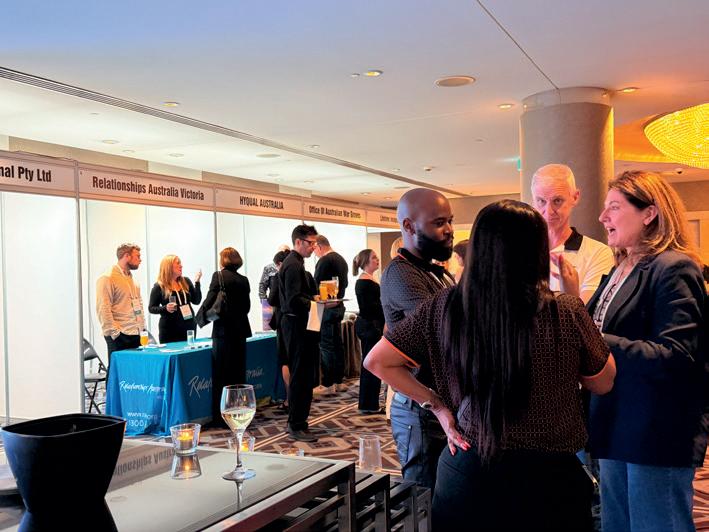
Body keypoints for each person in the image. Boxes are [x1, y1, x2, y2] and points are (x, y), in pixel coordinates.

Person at [366, 199, 616, 529]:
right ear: (537, 251)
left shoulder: (447, 306)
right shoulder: (565, 310)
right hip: (549, 481)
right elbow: (603, 381)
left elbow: (378, 362)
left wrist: (439, 407)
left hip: (468, 472)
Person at [579, 171, 707, 532]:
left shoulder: (674, 267)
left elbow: (677, 355)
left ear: (649, 213)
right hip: (615, 421)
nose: (602, 217)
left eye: (614, 207)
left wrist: (596, 339)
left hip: (656, 428)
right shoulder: (620, 267)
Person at [380, 187, 456, 489]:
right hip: (421, 408)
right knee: (423, 497)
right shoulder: (401, 274)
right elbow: (447, 329)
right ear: (409, 226)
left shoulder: (437, 272)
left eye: (449, 221)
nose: (448, 230)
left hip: (440, 403)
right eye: (439, 223)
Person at [531, 163, 615, 304]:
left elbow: (588, 315)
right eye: (541, 201)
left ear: (575, 197)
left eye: (557, 201)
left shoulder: (597, 253)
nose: (549, 211)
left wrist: (571, 294)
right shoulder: (518, 250)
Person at [279, 224, 322, 442]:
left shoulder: (296, 263)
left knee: (304, 375)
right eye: (310, 243)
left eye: (315, 243)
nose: (314, 247)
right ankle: (296, 424)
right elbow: (293, 300)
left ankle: (299, 422)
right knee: (300, 376)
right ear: (298, 242)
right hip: (296, 325)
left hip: (298, 324)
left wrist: (314, 300)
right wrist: (315, 303)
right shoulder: (293, 265)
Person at [202, 247, 252, 428]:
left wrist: (199, 319)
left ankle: (221, 417)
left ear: (223, 260)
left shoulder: (219, 276)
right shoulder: (244, 280)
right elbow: (247, 307)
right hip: (240, 331)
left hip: (223, 331)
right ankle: (239, 412)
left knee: (221, 375)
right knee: (238, 373)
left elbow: (209, 300)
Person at [96, 243, 146, 364]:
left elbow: (139, 305)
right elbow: (103, 308)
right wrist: (115, 333)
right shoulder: (108, 277)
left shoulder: (133, 279)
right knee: (118, 371)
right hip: (119, 335)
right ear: (127, 256)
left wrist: (142, 327)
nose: (140, 260)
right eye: (137, 256)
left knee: (134, 371)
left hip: (135, 333)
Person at [312, 235, 349, 394]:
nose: (314, 253)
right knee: (337, 344)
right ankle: (338, 380)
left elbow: (316, 284)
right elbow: (345, 284)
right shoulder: (341, 259)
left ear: (319, 246)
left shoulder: (324, 261)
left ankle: (328, 383)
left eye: (314, 249)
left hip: (326, 307)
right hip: (339, 305)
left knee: (326, 345)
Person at [352, 249, 385, 414]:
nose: (377, 260)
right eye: (374, 258)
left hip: (370, 326)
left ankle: (369, 403)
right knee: (371, 365)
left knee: (371, 364)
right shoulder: (364, 282)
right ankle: (368, 404)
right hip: (369, 327)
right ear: (366, 261)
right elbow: (370, 309)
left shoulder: (369, 280)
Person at [148, 255, 202, 343]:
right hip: (170, 329)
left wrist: (197, 282)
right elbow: (151, 308)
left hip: (189, 326)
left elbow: (196, 301)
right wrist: (165, 308)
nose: (181, 266)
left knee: (188, 350)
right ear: (168, 267)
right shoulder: (159, 286)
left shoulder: (185, 281)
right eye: (178, 263)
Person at [267, 249, 291, 408]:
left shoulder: (278, 277)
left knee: (286, 360)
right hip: (301, 323)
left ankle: (289, 398)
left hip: (284, 322)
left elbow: (272, 299)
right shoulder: (305, 274)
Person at [258, 244, 290, 330]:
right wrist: (265, 302)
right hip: (274, 303)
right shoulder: (269, 268)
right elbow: (262, 285)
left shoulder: (293, 266)